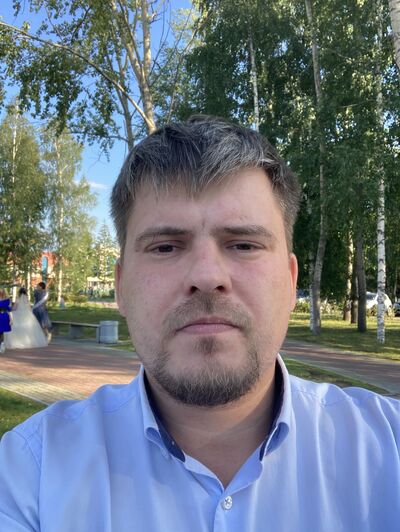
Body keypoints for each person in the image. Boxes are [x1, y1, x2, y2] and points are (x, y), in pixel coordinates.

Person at [0, 117, 399, 531]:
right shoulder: (31, 472)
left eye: (243, 244)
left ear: (290, 279)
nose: (207, 276)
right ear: (120, 286)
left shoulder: (389, 446)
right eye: (165, 247)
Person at [0, 288, 12, 354]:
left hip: (3, 316)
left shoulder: (7, 300)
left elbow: (9, 310)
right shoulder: (7, 300)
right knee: (1, 332)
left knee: (1, 332)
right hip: (4, 316)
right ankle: (2, 344)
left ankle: (2, 345)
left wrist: (11, 319)